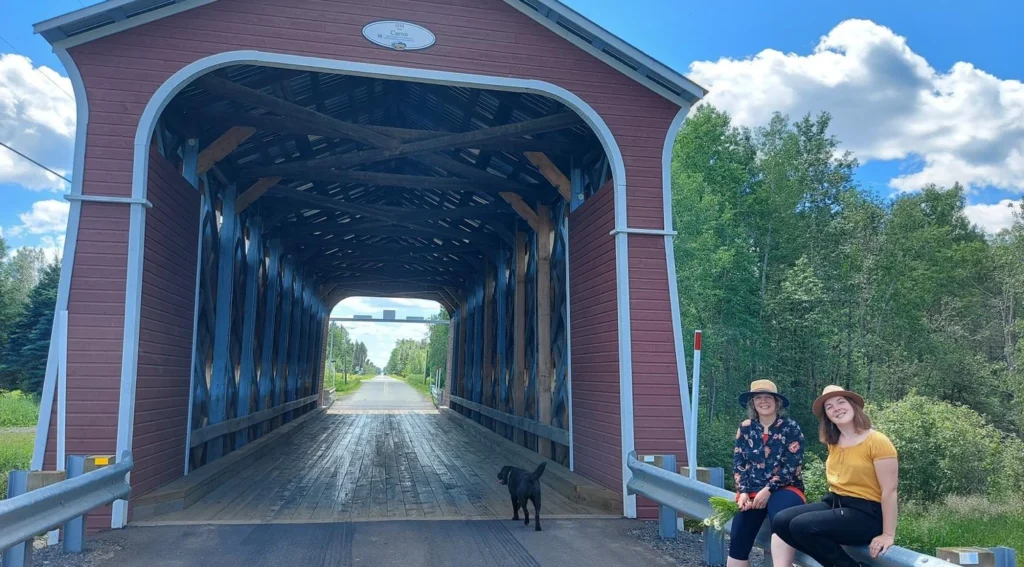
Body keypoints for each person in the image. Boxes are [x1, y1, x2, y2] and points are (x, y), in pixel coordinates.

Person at [772, 385, 899, 567]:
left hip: (867, 513)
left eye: (841, 402)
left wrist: (887, 534)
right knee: (781, 522)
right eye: (829, 407)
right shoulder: (834, 442)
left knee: (802, 526)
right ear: (827, 416)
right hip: (836, 502)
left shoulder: (877, 441)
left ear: (853, 406)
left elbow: (890, 490)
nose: (836, 408)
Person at [728, 380, 806, 567]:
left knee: (780, 520)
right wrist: (744, 491)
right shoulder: (745, 427)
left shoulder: (790, 427)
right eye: (758, 398)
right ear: (752, 403)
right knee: (739, 534)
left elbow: (793, 465)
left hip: (785, 487)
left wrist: (769, 489)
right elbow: (739, 462)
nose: (763, 401)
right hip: (752, 489)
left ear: (777, 402)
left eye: (768, 397)